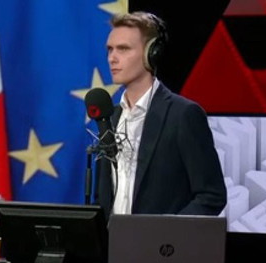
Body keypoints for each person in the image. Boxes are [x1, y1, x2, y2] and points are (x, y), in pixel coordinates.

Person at [97, 12, 226, 216]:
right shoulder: (111, 117)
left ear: (151, 53)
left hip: (161, 237)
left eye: (123, 49)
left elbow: (212, 196)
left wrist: (165, 231)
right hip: (113, 237)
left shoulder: (183, 115)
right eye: (110, 49)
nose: (112, 58)